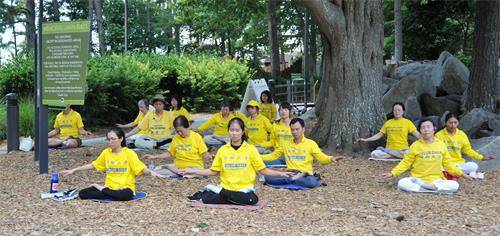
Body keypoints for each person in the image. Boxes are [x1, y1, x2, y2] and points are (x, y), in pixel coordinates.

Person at [180, 118, 294, 205]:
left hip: (244, 190)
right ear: (228, 131)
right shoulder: (223, 150)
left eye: (237, 130)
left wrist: (280, 173)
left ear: (243, 132)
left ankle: (216, 194)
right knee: (222, 197)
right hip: (227, 187)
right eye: (231, 130)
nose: (234, 133)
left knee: (252, 199)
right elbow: (213, 171)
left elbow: (263, 170)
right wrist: (193, 172)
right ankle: (221, 195)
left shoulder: (251, 149)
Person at [61, 127, 163, 201]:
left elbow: (141, 168)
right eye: (108, 139)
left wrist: (151, 173)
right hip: (110, 187)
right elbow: (94, 165)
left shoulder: (129, 153)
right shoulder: (106, 152)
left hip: (124, 188)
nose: (110, 142)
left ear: (121, 139)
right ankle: (108, 192)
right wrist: (73, 170)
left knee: (126, 195)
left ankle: (102, 190)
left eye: (113, 139)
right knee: (83, 193)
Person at [379, 118, 473, 194]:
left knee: (454, 185)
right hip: (417, 179)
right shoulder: (415, 145)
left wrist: (462, 174)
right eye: (423, 128)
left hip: (436, 180)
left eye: (428, 127)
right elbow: (406, 162)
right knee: (402, 183)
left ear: (434, 129)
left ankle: (423, 188)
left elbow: (448, 165)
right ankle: (428, 188)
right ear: (420, 130)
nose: (426, 129)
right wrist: (392, 173)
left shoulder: (441, 144)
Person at [262, 118, 344, 188]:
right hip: (291, 173)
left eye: (297, 129)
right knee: (267, 178)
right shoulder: (285, 144)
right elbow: (273, 156)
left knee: (311, 182)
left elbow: (321, 158)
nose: (294, 132)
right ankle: (293, 179)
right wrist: (258, 157)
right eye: (292, 129)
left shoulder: (310, 144)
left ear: (303, 130)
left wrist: (331, 158)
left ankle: (292, 179)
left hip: (305, 174)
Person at [143, 115, 212, 177]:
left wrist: (210, 157)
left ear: (187, 127)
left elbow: (204, 153)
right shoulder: (176, 138)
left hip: (193, 167)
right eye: (177, 131)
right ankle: (181, 173)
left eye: (181, 131)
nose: (179, 133)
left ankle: (183, 173)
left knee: (195, 172)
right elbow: (168, 153)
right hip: (178, 167)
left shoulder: (196, 137)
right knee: (157, 171)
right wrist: (154, 157)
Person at [435, 113, 495, 179]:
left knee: (474, 166)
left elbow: (468, 150)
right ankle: (458, 172)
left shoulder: (462, 135)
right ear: (446, 123)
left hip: (459, 164)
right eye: (450, 123)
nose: (453, 125)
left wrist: (481, 157)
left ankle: (454, 172)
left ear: (458, 122)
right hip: (445, 164)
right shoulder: (439, 135)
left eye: (455, 122)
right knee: (438, 167)